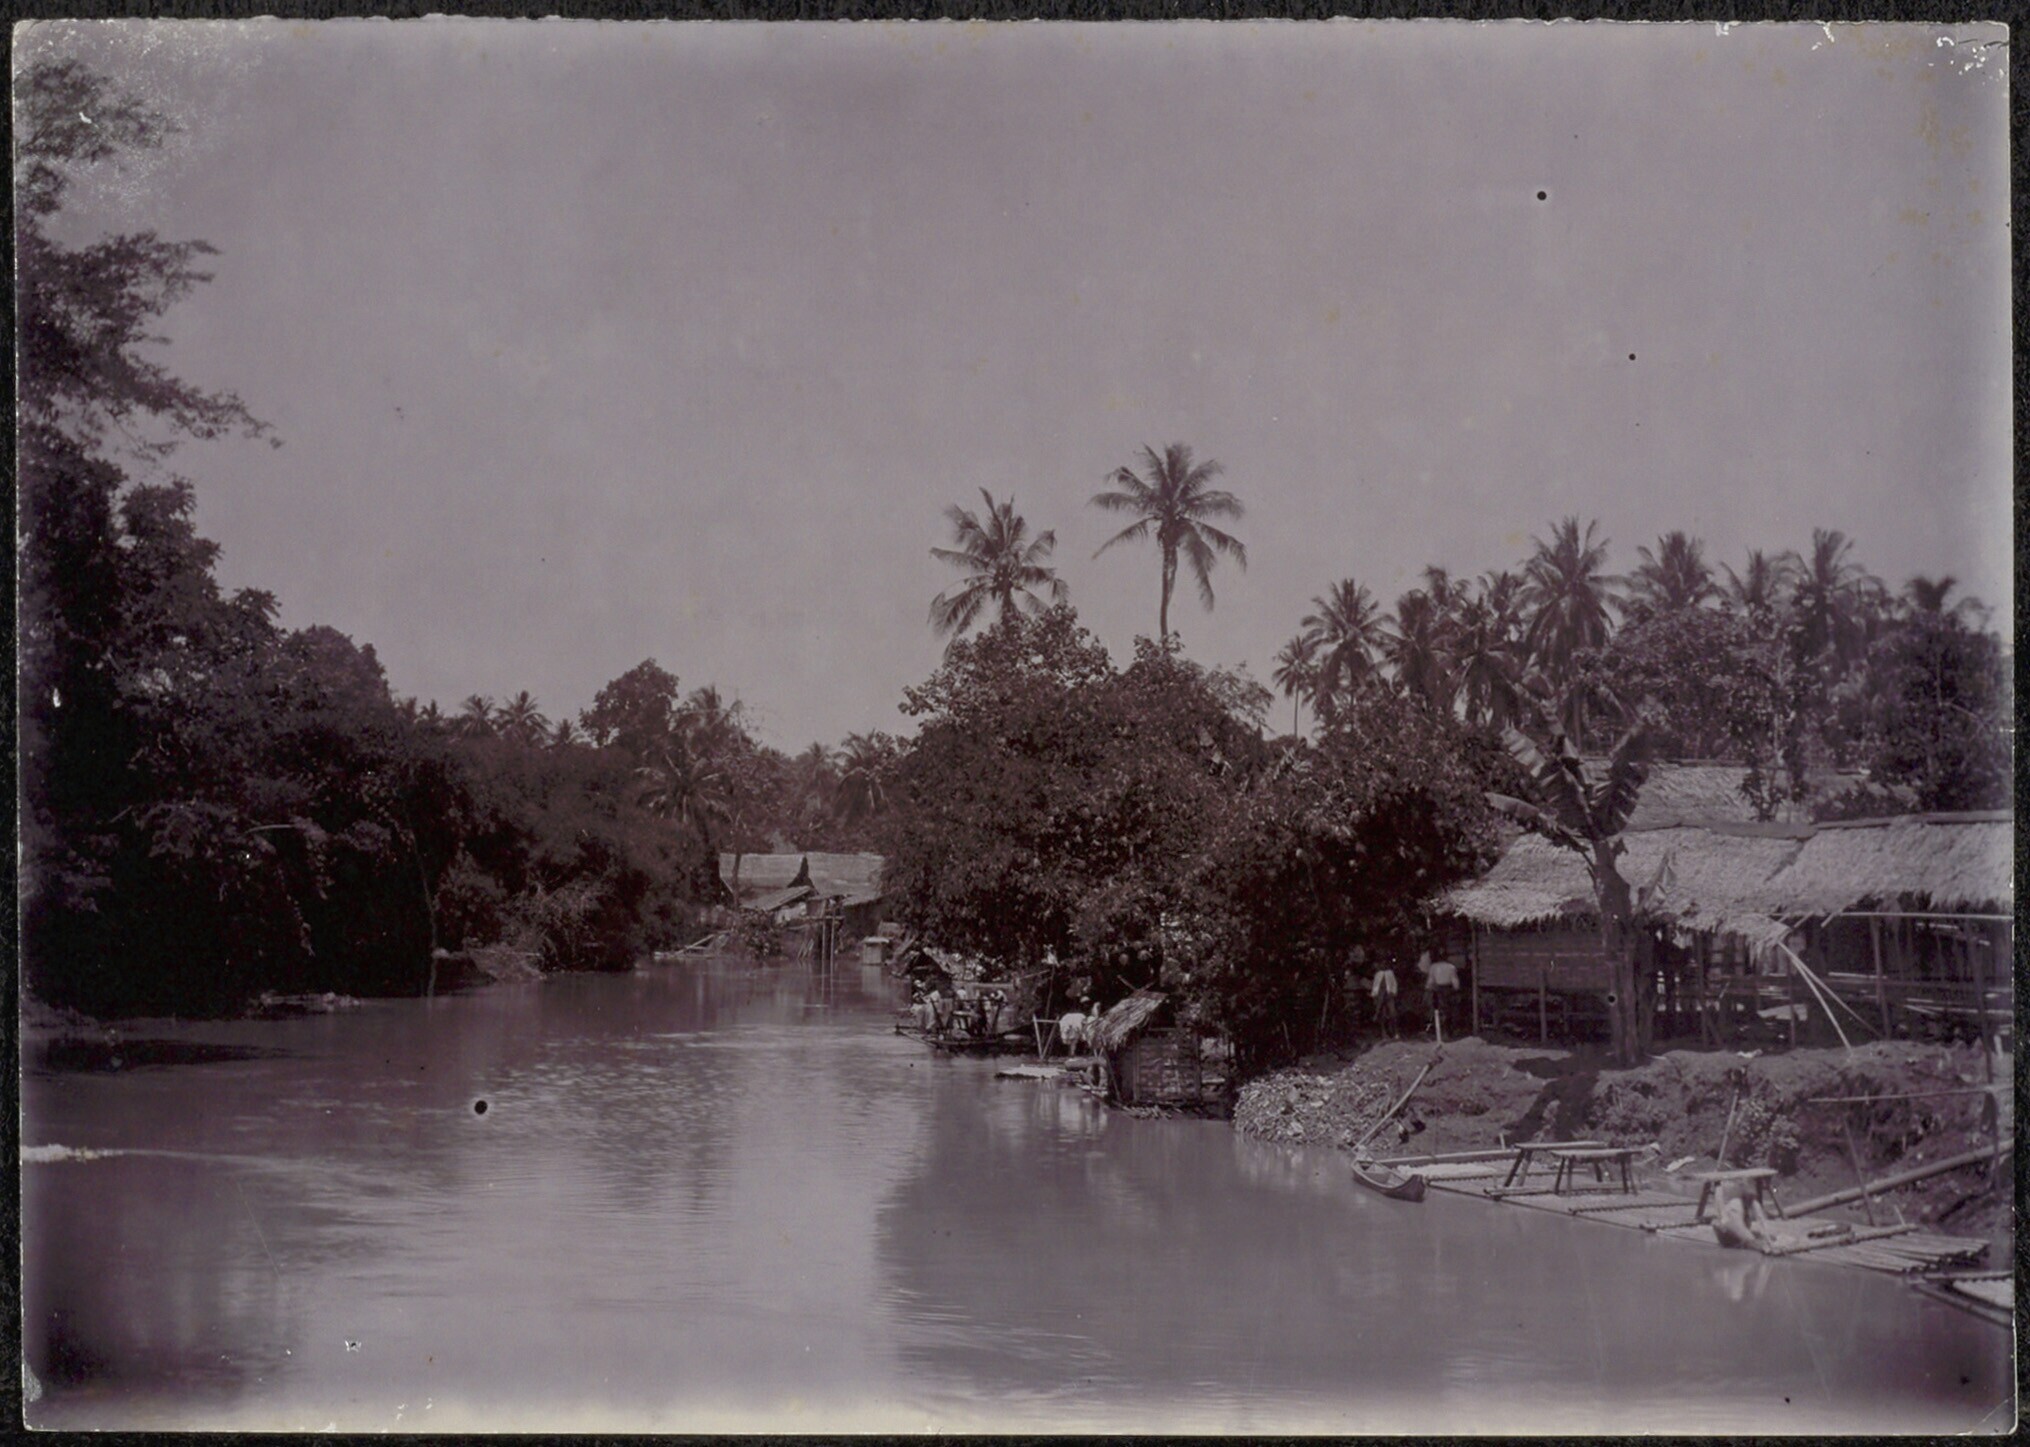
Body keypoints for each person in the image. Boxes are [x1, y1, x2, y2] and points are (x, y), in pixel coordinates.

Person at [1711, 1179, 1775, 1252]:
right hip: (1725, 1232)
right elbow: (1741, 1231)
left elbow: (1761, 1220)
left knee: (1767, 1237)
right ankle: (1764, 1247)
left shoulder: (1752, 1202)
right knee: (1750, 1239)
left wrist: (1768, 1239)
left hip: (1732, 1225)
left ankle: (1765, 1244)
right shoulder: (1735, 1204)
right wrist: (1764, 1246)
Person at [1420, 949, 1461, 1036]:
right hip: (1445, 990)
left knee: (1443, 1010)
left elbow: (1430, 981)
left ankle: (1446, 1030)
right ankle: (1446, 1030)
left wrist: (1428, 989)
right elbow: (1455, 981)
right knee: (1447, 1010)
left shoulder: (1435, 967)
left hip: (1441, 990)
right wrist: (1456, 989)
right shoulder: (1450, 967)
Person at [1370, 960, 1400, 1039]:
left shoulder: (1390, 973)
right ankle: (1383, 1032)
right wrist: (1374, 995)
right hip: (1380, 995)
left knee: (1392, 1013)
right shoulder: (1377, 974)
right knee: (1382, 1014)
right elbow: (1375, 985)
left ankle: (1395, 1032)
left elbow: (1394, 983)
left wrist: (1393, 992)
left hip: (1388, 994)